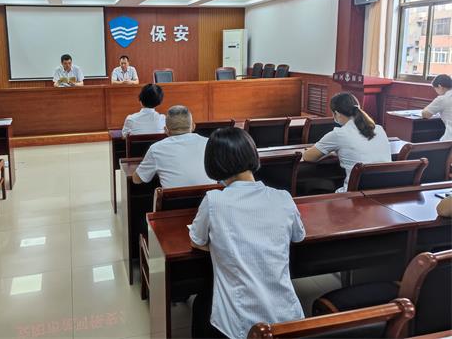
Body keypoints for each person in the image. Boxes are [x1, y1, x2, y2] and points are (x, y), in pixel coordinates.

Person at [189, 127, 305, 339]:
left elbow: (196, 240)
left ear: (214, 164)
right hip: (288, 317)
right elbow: (298, 236)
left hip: (238, 325)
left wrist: (222, 246)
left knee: (201, 305)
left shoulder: (214, 201)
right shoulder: (283, 197)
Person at [302, 92, 390, 192]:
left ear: (337, 114)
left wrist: (329, 153)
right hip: (384, 189)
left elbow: (308, 157)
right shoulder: (379, 129)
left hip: (354, 194)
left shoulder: (339, 134)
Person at [133, 105, 215, 188]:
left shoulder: (156, 149)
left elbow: (136, 180)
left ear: (166, 130)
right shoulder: (210, 143)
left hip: (175, 197)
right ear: (193, 127)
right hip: (210, 195)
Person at [422, 74, 452, 141]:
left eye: (435, 89)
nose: (436, 92)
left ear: (440, 86)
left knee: (428, 144)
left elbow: (425, 114)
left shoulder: (443, 99)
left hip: (449, 139)